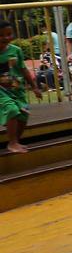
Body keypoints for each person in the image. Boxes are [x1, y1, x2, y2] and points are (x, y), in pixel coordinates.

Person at [0, 20, 42, 153]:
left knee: (23, 115)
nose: (6, 37)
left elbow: (23, 69)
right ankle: (12, 142)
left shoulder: (16, 50)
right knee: (12, 109)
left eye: (9, 34)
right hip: (1, 90)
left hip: (16, 88)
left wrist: (34, 87)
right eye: (1, 35)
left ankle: (15, 141)